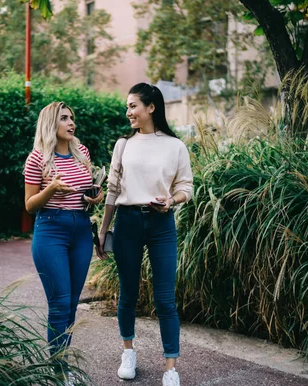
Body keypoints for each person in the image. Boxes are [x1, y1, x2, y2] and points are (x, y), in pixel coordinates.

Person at [96, 83, 193, 386]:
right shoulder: (123, 144)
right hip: (127, 222)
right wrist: (103, 230)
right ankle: (128, 352)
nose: (128, 112)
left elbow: (185, 187)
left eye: (133, 106)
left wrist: (172, 200)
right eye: (127, 107)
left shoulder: (175, 145)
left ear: (151, 107)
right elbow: (112, 189)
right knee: (128, 294)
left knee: (165, 299)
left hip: (162, 223)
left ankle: (171, 368)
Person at [23, 102, 103, 382]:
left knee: (71, 305)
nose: (72, 123)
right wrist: (51, 189)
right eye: (64, 118)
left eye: (72, 118)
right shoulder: (37, 159)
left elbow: (89, 191)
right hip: (51, 232)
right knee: (59, 303)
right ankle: (58, 374)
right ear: (50, 125)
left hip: (80, 229)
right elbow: (30, 205)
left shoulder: (82, 154)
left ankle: (62, 366)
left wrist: (95, 196)